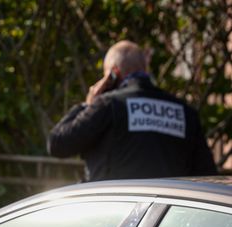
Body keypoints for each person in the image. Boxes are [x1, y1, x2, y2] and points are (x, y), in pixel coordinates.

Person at [48, 40, 217, 181]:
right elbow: (208, 175)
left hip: (115, 211)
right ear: (145, 69)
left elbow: (58, 143)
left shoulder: (109, 104)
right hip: (168, 215)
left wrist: (87, 105)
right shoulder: (185, 112)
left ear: (113, 74)